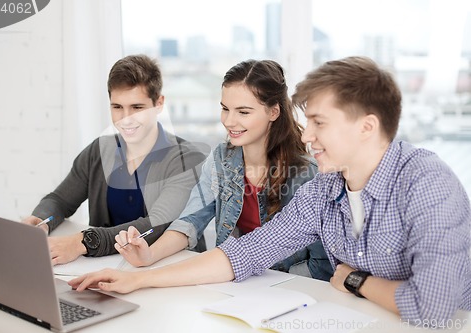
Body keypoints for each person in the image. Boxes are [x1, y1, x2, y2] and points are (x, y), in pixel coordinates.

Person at [69, 56, 471, 326]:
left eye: (319, 123)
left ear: (366, 127)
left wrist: (353, 279)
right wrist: (140, 280)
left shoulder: (426, 184)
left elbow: (431, 307)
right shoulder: (326, 190)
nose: (308, 135)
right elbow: (245, 252)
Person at [113, 59, 333, 280]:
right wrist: (149, 255)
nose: (229, 121)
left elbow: (321, 265)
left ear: (273, 112)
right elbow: (191, 220)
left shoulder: (308, 174)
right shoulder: (221, 159)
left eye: (243, 112)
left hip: (285, 289)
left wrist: (267, 285)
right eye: (225, 109)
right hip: (233, 277)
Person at [23, 54, 208, 265]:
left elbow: (156, 224)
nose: (125, 118)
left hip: (167, 270)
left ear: (159, 104)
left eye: (137, 107)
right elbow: (60, 200)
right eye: (117, 107)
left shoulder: (187, 160)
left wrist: (82, 242)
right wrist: (42, 221)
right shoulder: (99, 151)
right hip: (105, 264)